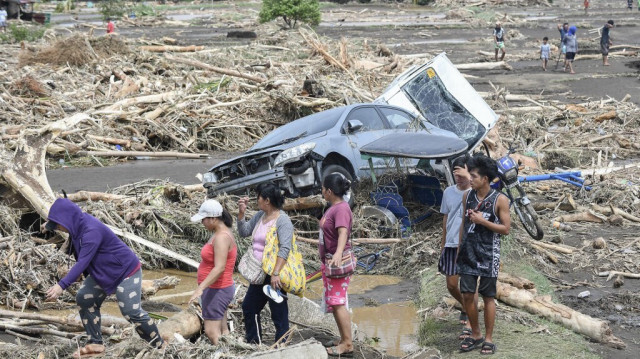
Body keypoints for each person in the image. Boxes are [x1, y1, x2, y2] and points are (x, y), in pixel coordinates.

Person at [44, 198, 164, 358]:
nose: (59, 229)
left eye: (58, 225)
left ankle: (159, 344)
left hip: (126, 271)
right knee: (85, 297)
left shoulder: (90, 231)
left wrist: (61, 286)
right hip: (104, 272)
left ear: (67, 220)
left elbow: (82, 263)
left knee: (131, 311)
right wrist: (48, 225)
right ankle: (95, 343)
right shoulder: (76, 226)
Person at [456, 155, 511, 355]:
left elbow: (505, 229)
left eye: (474, 176)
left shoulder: (500, 200)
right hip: (468, 252)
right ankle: (476, 334)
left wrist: (483, 221)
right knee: (468, 294)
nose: (470, 179)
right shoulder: (467, 197)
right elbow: (464, 224)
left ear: (485, 179)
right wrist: (458, 249)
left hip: (489, 254)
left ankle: (488, 338)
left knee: (488, 296)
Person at [237, 183, 293, 345]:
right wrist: (241, 214)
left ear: (267, 200)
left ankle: (281, 346)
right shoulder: (260, 216)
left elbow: (285, 248)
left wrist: (276, 273)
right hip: (259, 273)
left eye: (258, 197)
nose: (256, 201)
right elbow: (244, 232)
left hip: (274, 274)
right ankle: (254, 343)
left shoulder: (282, 220)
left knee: (278, 313)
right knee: (249, 308)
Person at [189, 199, 237, 345]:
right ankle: (229, 353)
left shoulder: (222, 237)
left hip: (218, 289)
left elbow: (219, 267)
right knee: (223, 331)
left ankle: (222, 354)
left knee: (211, 331)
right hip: (218, 289)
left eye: (204, 219)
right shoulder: (219, 233)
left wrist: (200, 288)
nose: (202, 223)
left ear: (214, 218)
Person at [438, 156, 476, 341]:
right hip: (451, 244)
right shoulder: (448, 192)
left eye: (462, 174)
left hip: (469, 245)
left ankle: (470, 320)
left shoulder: (476, 193)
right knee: (452, 285)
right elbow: (446, 218)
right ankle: (466, 307)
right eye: (456, 175)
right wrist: (443, 243)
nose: (459, 179)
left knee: (469, 287)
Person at [319, 173, 354, 357]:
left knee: (338, 303)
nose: (322, 191)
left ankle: (347, 343)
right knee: (334, 302)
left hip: (337, 262)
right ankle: (343, 338)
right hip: (330, 261)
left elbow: (343, 232)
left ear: (329, 191)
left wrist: (339, 253)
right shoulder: (334, 207)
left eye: (323, 189)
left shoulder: (341, 209)